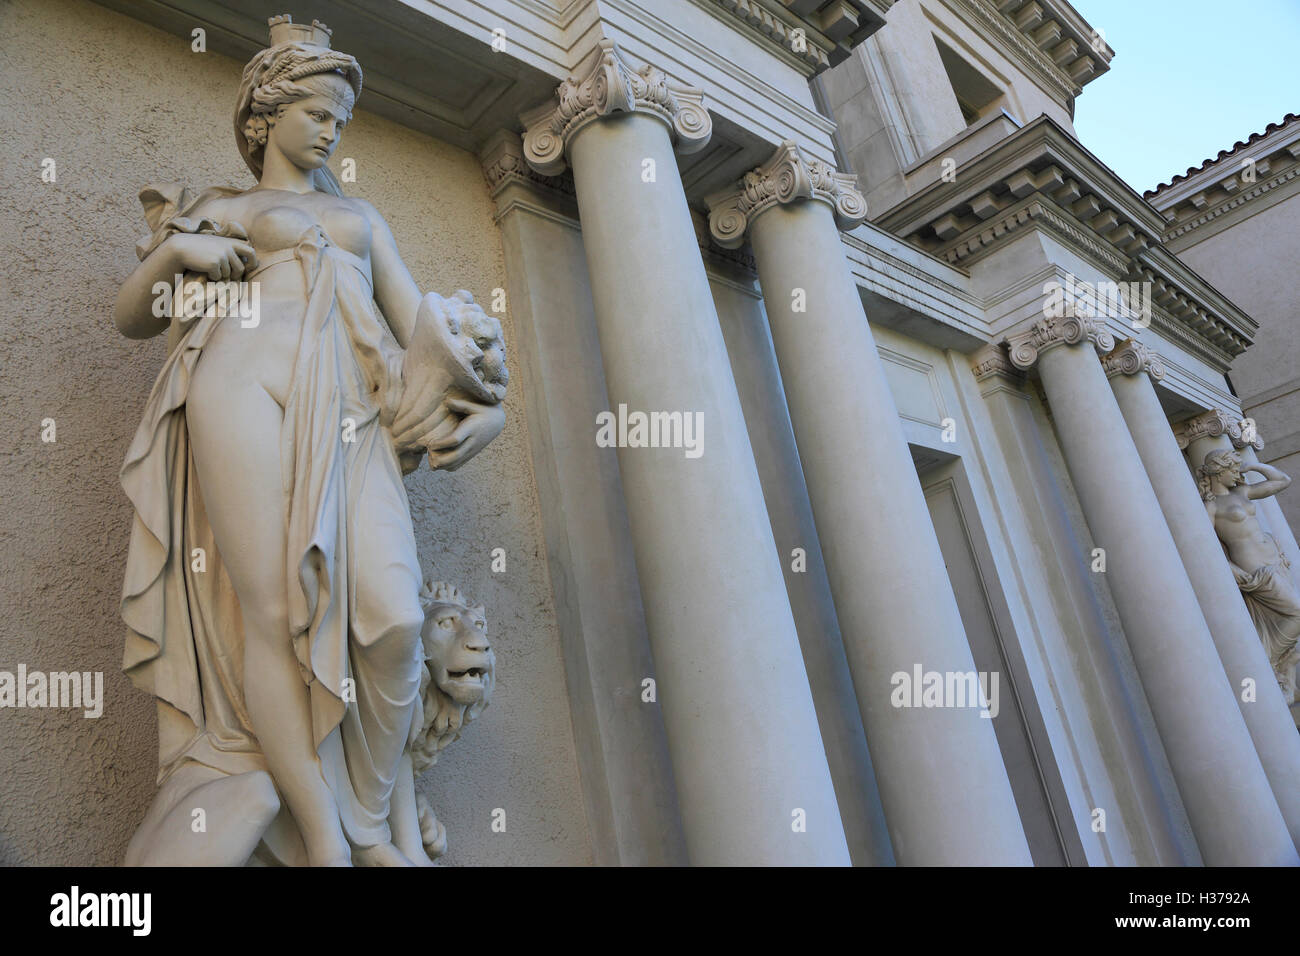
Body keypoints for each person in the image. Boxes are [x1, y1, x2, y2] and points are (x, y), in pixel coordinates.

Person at [113, 15, 504, 865]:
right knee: (271, 610)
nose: (332, 128)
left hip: (348, 415)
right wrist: (176, 249)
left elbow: (423, 335)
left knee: (395, 621)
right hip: (238, 383)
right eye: (318, 111)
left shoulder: (361, 219)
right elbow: (132, 317)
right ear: (265, 115)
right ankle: (331, 844)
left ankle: (364, 821)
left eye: (340, 116)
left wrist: (488, 411)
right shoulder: (220, 209)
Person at [1199, 448, 1300, 703]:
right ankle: (1268, 660)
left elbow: (1282, 481)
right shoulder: (1211, 506)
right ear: (1218, 472)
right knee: (1297, 612)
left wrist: (1251, 467)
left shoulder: (1242, 492)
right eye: (1232, 469)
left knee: (1291, 621)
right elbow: (1204, 546)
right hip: (1257, 572)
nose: (1237, 473)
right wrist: (1235, 571)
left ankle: (1281, 664)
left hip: (1276, 564)